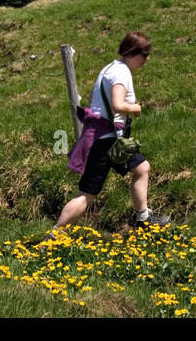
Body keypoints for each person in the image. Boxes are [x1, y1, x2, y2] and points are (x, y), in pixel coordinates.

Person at [55, 31, 171, 230]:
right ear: (133, 53)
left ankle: (143, 219)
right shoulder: (122, 72)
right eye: (145, 54)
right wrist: (136, 108)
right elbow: (118, 105)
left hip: (108, 137)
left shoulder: (108, 68)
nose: (147, 59)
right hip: (107, 141)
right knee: (86, 195)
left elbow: (92, 100)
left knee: (142, 168)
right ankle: (54, 236)